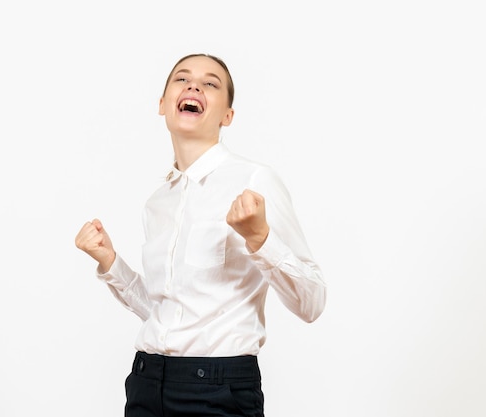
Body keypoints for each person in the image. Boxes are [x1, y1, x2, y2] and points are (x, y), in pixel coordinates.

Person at [74, 53, 327, 417]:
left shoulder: (254, 181)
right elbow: (164, 313)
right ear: (162, 104)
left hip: (218, 391)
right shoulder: (158, 202)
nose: (193, 85)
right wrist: (111, 264)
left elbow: (312, 302)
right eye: (182, 78)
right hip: (146, 382)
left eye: (210, 83)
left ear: (228, 116)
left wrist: (260, 239)